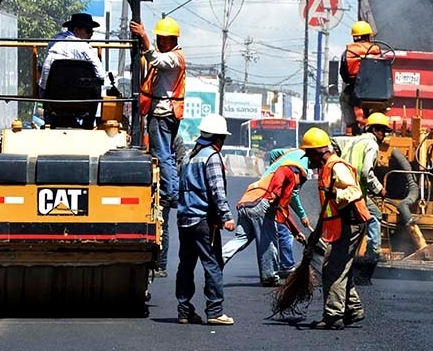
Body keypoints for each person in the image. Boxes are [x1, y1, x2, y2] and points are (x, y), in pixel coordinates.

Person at [130, 17, 186, 277]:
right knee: (160, 154)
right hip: (163, 112)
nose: (161, 42)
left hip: (163, 113)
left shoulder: (174, 58)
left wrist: (144, 38)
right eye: (158, 38)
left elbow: (157, 61)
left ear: (173, 40)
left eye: (164, 39)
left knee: (163, 154)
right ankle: (169, 189)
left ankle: (171, 192)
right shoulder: (169, 55)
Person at [301, 127, 371, 330]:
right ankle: (353, 309)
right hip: (343, 223)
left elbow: (353, 191)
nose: (307, 158)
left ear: (319, 151)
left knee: (334, 269)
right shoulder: (326, 168)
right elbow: (328, 208)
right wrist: (316, 234)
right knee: (338, 267)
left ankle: (333, 316)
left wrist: (336, 195)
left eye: (309, 153)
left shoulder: (336, 166)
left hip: (351, 223)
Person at [175, 113, 236, 325]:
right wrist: (226, 216)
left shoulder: (189, 156)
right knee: (213, 264)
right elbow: (216, 190)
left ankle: (184, 311)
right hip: (202, 220)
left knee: (186, 265)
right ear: (219, 138)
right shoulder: (212, 157)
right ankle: (215, 311)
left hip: (184, 219)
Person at [221, 157, 307, 286]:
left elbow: (283, 212)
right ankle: (270, 276)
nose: (298, 186)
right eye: (301, 182)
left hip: (245, 204)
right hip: (260, 204)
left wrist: (296, 232)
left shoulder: (268, 180)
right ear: (297, 173)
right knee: (268, 241)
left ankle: (219, 258)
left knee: (241, 238)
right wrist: (276, 194)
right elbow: (281, 174)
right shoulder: (287, 171)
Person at [340, 112, 392, 275]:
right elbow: (366, 172)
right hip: (356, 191)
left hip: (342, 189)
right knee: (374, 215)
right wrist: (379, 189)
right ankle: (372, 253)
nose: (384, 135)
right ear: (375, 129)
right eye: (383, 131)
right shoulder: (372, 145)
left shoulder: (353, 140)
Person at [38, 13, 106, 127]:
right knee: (97, 86)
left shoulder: (54, 41)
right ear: (76, 30)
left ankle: (49, 121)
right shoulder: (85, 48)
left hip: (52, 97)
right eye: (89, 31)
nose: (91, 35)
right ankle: (88, 124)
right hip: (81, 100)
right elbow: (101, 75)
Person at [266, 148, 312, 277]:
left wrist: (272, 167)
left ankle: (277, 267)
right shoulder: (292, 171)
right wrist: (302, 215)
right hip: (270, 200)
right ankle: (286, 265)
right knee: (284, 233)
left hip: (271, 198)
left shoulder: (294, 153)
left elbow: (274, 152)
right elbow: (293, 195)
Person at [339, 20, 381, 135]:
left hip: (356, 93)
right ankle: (378, 126)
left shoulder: (347, 53)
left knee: (343, 98)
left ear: (354, 37)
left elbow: (344, 76)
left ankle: (352, 126)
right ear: (368, 36)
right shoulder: (377, 51)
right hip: (377, 94)